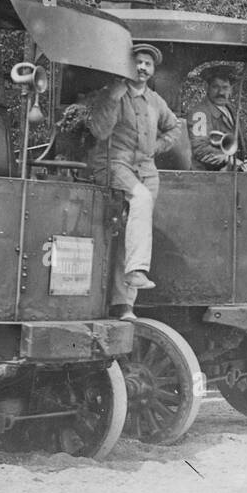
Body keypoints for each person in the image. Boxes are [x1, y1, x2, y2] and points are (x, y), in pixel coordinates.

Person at [72, 42, 180, 320]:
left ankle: (124, 304)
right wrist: (112, 99)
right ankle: (136, 272)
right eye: (138, 62)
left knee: (134, 235)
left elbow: (174, 126)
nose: (142, 68)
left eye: (148, 64)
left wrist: (158, 146)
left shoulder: (155, 101)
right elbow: (98, 130)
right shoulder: (112, 93)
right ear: (128, 66)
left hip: (146, 170)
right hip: (112, 164)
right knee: (140, 202)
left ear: (153, 70)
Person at [188, 65, 243, 170]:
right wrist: (228, 159)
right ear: (206, 88)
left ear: (231, 90)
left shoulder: (230, 110)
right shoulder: (200, 114)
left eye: (225, 87)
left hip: (229, 175)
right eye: (215, 87)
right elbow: (200, 150)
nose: (221, 92)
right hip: (207, 177)